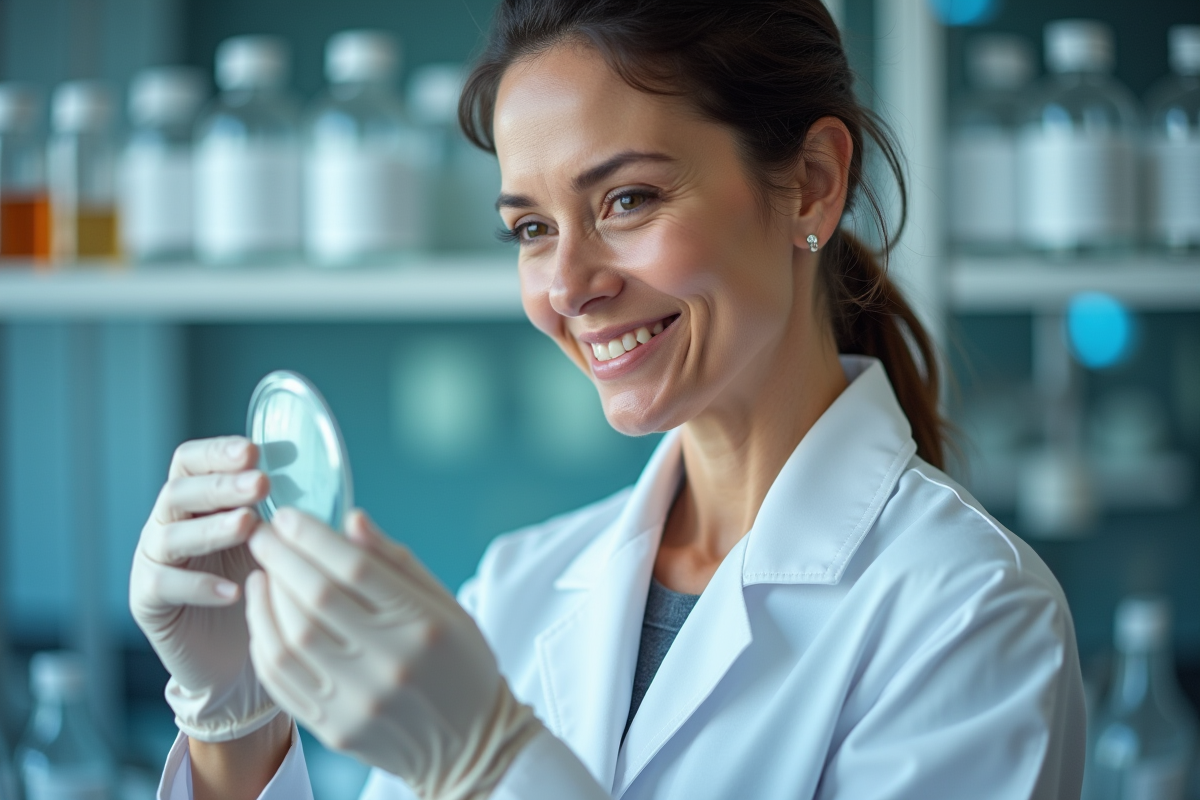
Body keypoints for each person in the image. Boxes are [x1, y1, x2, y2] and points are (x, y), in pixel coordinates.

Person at [130, 1, 1086, 798]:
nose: (568, 285)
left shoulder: (969, 614)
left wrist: (494, 763)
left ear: (811, 185)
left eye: (627, 199)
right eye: (532, 228)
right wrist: (236, 725)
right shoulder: (518, 587)